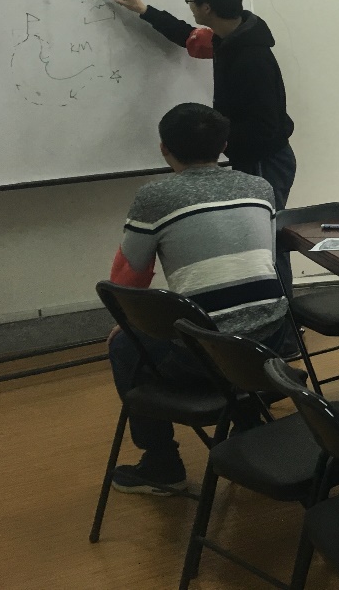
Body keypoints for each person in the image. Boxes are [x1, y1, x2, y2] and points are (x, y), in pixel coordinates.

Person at [106, 103, 293, 494]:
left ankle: (162, 465)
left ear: (164, 149)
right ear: (223, 145)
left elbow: (128, 281)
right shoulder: (259, 187)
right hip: (273, 344)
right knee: (227, 325)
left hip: (207, 356)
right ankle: (247, 419)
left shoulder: (155, 197)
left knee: (124, 345)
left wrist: (126, 323)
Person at [113, 0, 295, 211]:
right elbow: (188, 36)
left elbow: (265, 126)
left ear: (206, 7)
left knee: (266, 227)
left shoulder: (252, 58)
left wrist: (211, 140)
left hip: (264, 160)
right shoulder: (229, 37)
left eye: (191, 1)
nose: (190, 5)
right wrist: (144, 10)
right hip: (250, 156)